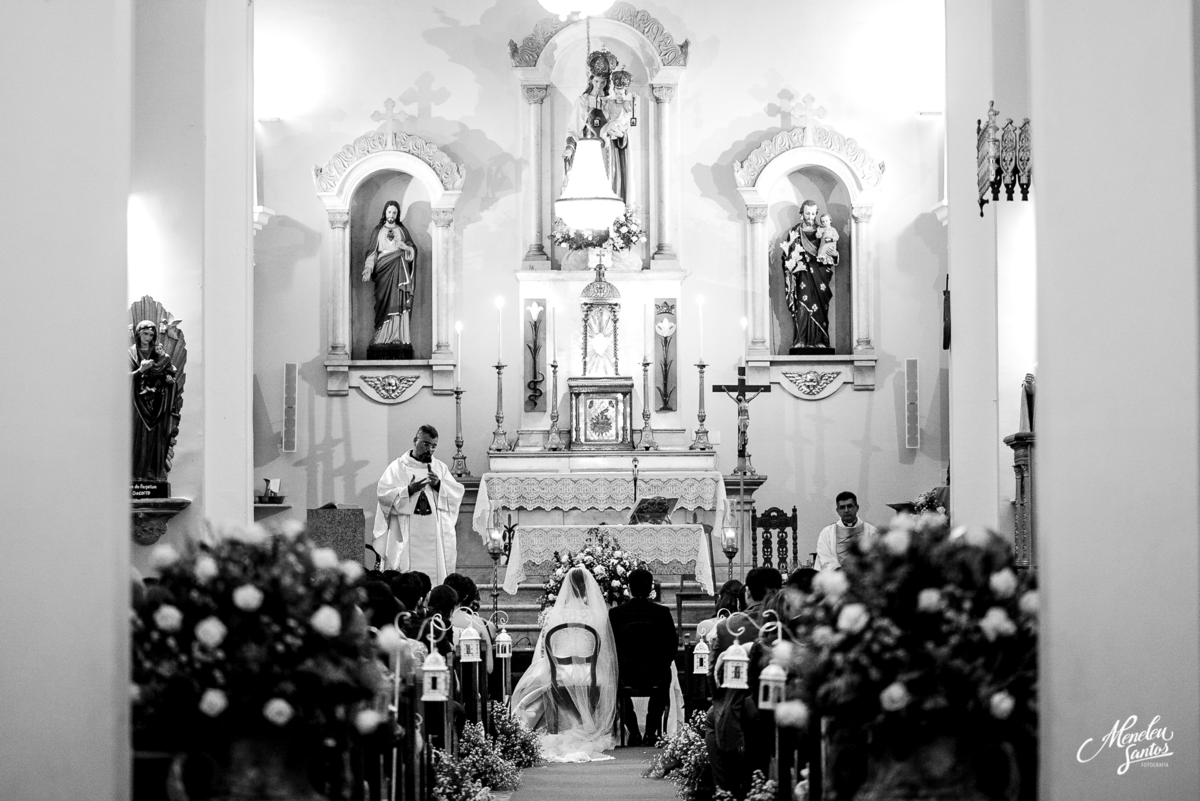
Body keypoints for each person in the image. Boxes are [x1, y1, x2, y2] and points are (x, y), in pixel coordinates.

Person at [511, 567, 619, 763]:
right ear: (587, 589)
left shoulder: (553, 615)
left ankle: (554, 727)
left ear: (566, 588)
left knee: (534, 681)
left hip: (558, 672)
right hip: (589, 672)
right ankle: (591, 725)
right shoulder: (597, 615)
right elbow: (603, 650)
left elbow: (545, 648)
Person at [706, 566, 782, 799]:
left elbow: (713, 677)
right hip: (782, 700)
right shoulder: (786, 622)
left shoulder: (729, 626)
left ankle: (725, 789)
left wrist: (717, 697)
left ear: (747, 592)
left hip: (739, 705)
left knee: (712, 718)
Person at [372, 425, 465, 581]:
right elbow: (384, 496)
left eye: (434, 446)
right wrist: (408, 490)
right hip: (406, 532)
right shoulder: (397, 468)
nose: (430, 449)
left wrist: (439, 485)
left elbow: (455, 495)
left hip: (434, 533)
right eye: (426, 444)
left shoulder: (439, 468)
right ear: (415, 441)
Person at [608, 569, 678, 745]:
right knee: (665, 675)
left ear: (629, 588)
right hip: (655, 672)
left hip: (626, 673)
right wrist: (661, 663)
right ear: (651, 589)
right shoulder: (662, 613)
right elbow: (672, 646)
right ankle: (650, 731)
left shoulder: (616, 614)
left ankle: (633, 731)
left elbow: (610, 648)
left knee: (615, 678)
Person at [563, 50, 628, 204]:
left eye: (603, 82)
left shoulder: (613, 102)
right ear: (591, 80)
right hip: (587, 148)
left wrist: (621, 136)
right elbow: (573, 128)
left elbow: (623, 128)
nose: (599, 85)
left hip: (608, 150)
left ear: (608, 83)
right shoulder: (582, 101)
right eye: (597, 81)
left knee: (608, 182)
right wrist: (570, 147)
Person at [361, 200, 418, 358]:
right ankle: (381, 336)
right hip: (383, 272)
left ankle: (399, 336)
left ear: (397, 214)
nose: (391, 215)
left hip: (399, 269)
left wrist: (406, 248)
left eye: (394, 212)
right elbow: (372, 252)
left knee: (398, 302)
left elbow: (412, 250)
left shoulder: (402, 230)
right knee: (383, 303)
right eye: (389, 212)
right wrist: (368, 268)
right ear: (384, 213)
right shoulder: (378, 230)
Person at [781, 199, 837, 350]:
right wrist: (791, 267)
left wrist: (834, 254)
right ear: (802, 214)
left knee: (820, 306)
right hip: (802, 274)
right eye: (807, 213)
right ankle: (801, 340)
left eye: (813, 213)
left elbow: (831, 251)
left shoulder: (824, 231)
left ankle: (820, 340)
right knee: (803, 305)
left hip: (820, 274)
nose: (811, 216)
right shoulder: (795, 232)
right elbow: (787, 256)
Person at [129, 320, 179, 482]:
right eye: (145, 334)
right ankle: (135, 474)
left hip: (156, 403)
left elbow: (169, 371)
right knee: (137, 436)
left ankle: (151, 473)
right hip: (136, 404)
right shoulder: (130, 354)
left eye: (151, 335)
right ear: (138, 334)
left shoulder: (158, 353)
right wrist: (140, 370)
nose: (148, 338)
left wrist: (169, 379)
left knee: (153, 438)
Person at [815, 491, 880, 571]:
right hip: (836, 579)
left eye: (850, 506)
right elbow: (825, 558)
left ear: (857, 508)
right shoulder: (827, 533)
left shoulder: (871, 531)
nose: (846, 510)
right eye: (842, 507)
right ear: (837, 511)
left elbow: (876, 557)